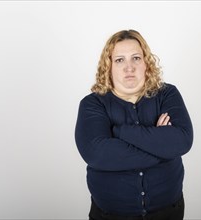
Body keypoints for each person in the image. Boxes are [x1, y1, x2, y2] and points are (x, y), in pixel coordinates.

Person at [75, 29, 193, 220]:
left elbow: (182, 141)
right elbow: (97, 154)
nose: (129, 67)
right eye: (119, 60)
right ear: (109, 66)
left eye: (136, 58)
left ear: (146, 63)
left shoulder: (167, 94)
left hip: (168, 212)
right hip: (110, 215)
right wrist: (161, 146)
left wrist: (121, 132)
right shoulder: (93, 104)